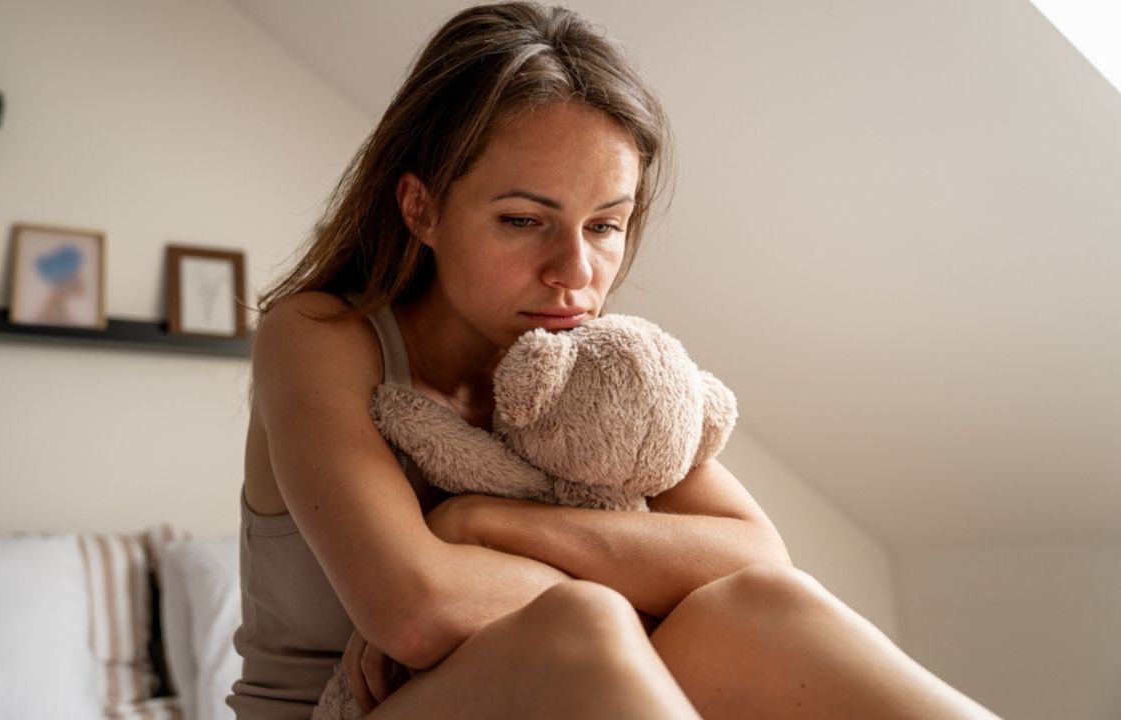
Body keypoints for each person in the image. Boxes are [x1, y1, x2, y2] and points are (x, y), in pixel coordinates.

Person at [229, 3, 999, 718]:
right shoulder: (317, 334)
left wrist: (478, 523)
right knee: (582, 619)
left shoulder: (586, 360)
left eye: (604, 226)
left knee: (756, 610)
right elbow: (418, 610)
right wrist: (628, 582)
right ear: (419, 207)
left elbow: (754, 557)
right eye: (524, 219)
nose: (575, 271)